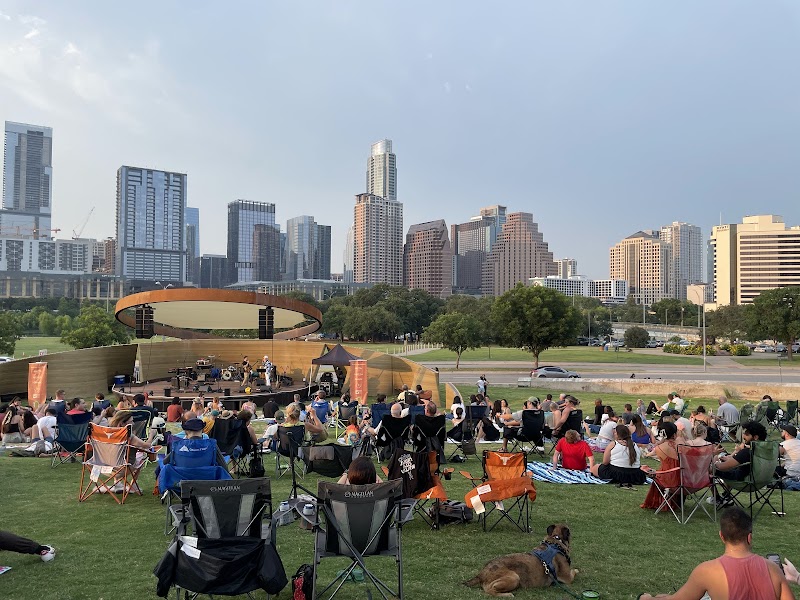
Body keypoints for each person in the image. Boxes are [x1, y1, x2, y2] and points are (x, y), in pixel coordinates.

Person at [639, 507, 794, 600]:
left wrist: (646, 598)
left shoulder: (708, 571)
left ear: (721, 536)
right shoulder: (773, 569)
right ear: (749, 537)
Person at [714, 421, 768, 507]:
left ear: (755, 437)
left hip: (743, 481)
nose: (743, 436)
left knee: (710, 469)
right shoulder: (767, 450)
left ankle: (717, 499)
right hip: (761, 480)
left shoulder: (746, 452)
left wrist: (714, 457)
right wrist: (731, 458)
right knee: (729, 464)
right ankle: (726, 496)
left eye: (746, 434)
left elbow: (722, 467)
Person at [641, 422, 679, 509]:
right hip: (682, 478)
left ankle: (660, 501)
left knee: (653, 474)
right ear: (674, 434)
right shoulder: (680, 445)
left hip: (670, 479)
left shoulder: (660, 448)